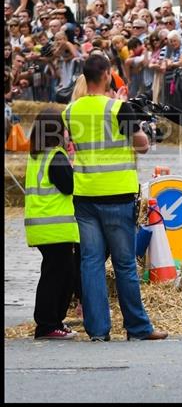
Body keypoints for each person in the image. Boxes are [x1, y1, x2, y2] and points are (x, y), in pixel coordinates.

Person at [62, 54, 167, 341]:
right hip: (118, 193)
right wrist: (140, 126)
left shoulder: (69, 111)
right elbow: (142, 146)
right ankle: (138, 327)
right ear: (107, 74)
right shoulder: (118, 108)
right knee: (124, 264)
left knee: (91, 263)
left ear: (84, 76)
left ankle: (97, 330)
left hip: (85, 194)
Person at [24, 108, 80, 339]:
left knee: (60, 274)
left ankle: (54, 320)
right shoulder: (55, 156)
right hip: (55, 227)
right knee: (55, 276)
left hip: (42, 225)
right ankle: (47, 324)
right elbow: (69, 186)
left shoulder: (38, 155)